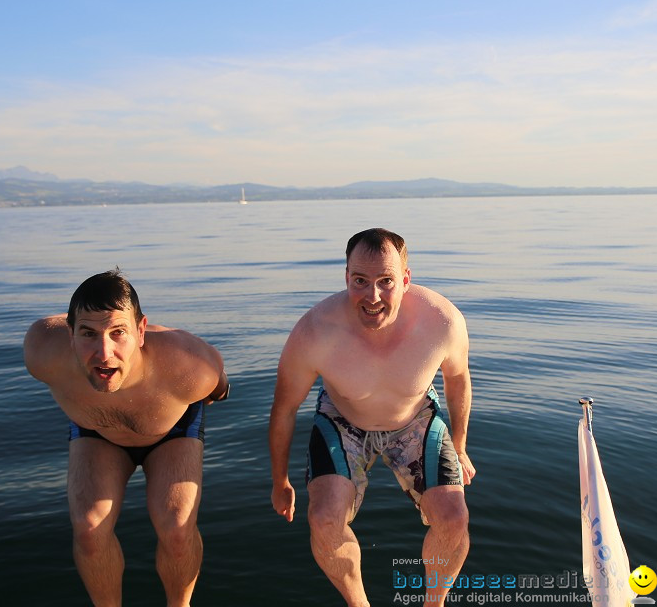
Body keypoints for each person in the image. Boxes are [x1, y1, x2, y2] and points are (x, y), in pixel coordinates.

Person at [269, 228, 475, 606]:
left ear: (406, 280)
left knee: (454, 517)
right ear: (346, 277)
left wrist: (459, 448)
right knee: (324, 519)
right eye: (360, 281)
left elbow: (458, 380)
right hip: (342, 420)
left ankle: (434, 603)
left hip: (414, 419)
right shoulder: (314, 331)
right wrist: (280, 479)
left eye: (386, 282)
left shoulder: (441, 321)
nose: (373, 296)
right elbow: (284, 408)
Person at [25, 270, 229, 607]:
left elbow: (218, 387)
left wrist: (215, 391)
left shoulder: (190, 366)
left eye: (118, 333)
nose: (104, 353)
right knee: (89, 529)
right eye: (88, 333)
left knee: (177, 528)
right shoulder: (42, 352)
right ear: (70, 334)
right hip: (97, 430)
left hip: (170, 430)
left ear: (141, 331)